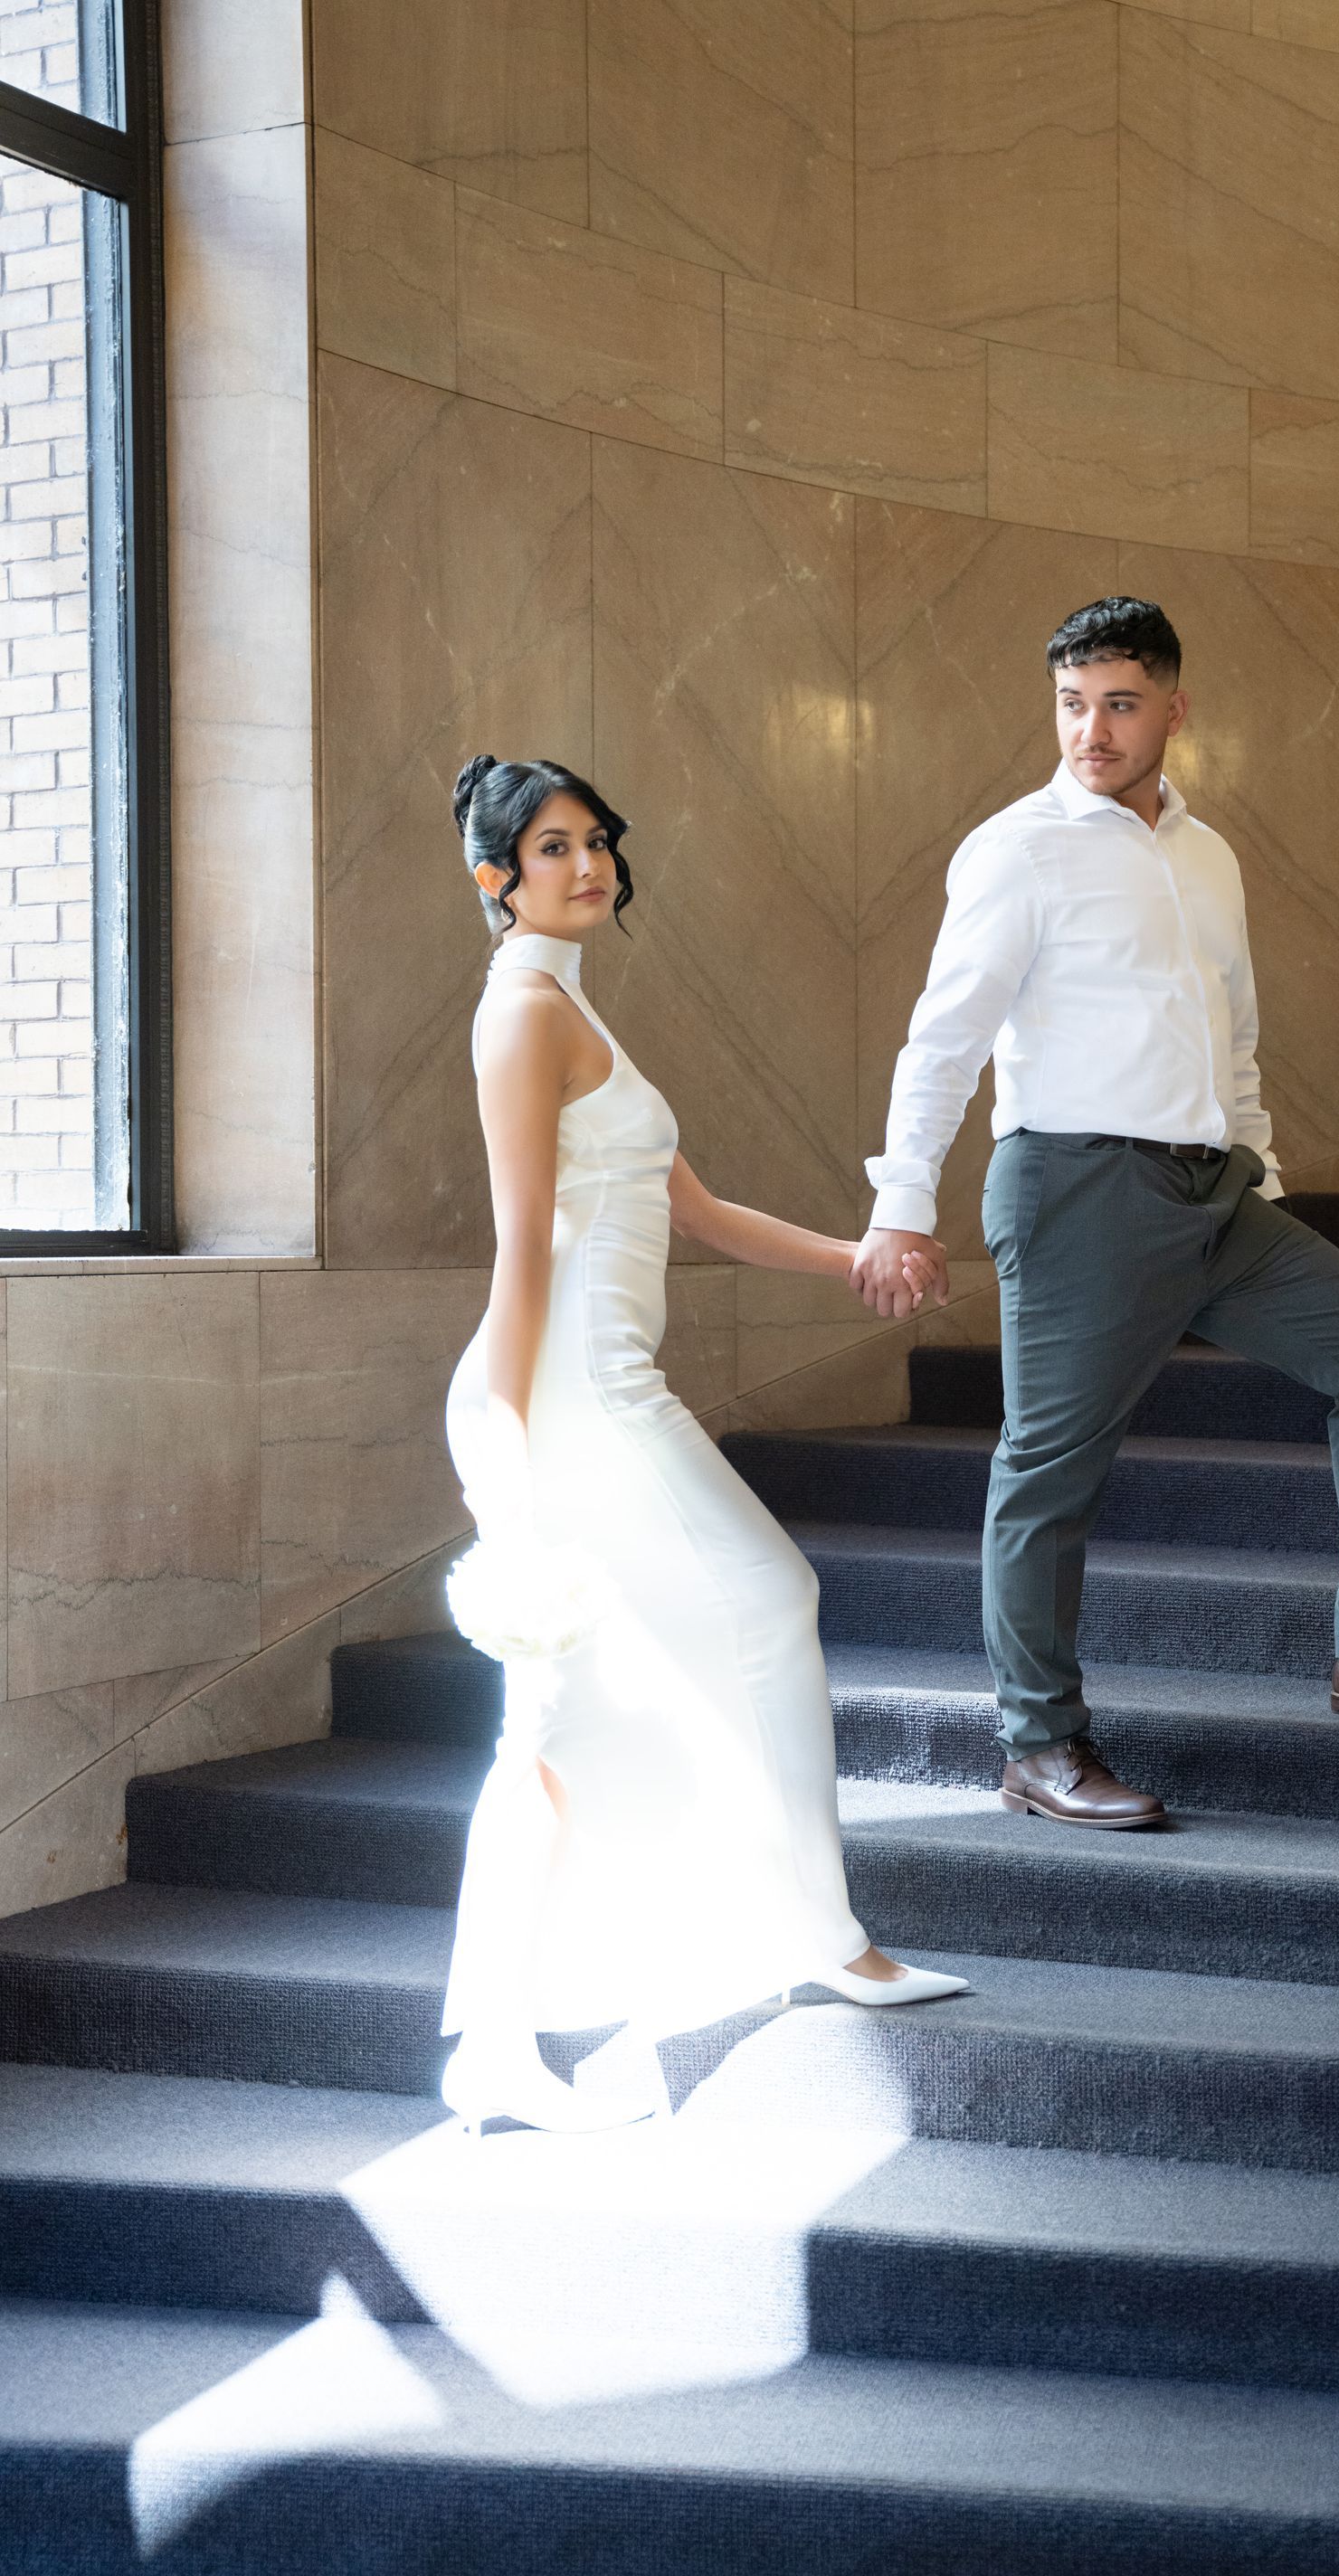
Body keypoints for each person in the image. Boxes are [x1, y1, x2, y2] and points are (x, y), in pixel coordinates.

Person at [851, 597, 1339, 1834]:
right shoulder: (1016, 850)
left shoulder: (1208, 854)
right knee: (1049, 1472)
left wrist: (1256, 1167)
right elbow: (942, 1041)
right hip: (1077, 1190)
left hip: (1213, 1192)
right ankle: (1037, 1744)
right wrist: (902, 1206)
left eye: (1118, 703)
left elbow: (1235, 1031)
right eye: (1070, 704)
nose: (1090, 731)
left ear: (1174, 707)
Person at [441, 753, 966, 2138]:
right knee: (744, 1610)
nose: (588, 864)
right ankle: (813, 1938)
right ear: (496, 875)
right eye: (553, 847)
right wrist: (502, 1458)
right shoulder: (522, 1020)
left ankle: (784, 1942)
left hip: (601, 1385)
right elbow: (520, 1252)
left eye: (597, 840)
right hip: (573, 1397)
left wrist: (858, 1258)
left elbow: (698, 1209)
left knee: (587, 1713)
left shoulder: (566, 1005)